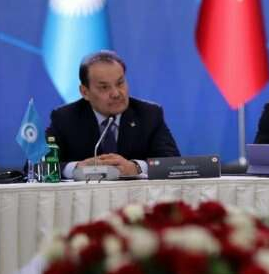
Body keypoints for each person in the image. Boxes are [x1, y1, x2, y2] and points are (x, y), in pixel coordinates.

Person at [47, 50, 179, 178]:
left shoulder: (149, 114)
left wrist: (136, 167)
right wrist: (76, 168)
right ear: (85, 92)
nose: (116, 94)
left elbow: (173, 163)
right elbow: (40, 166)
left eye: (120, 83)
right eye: (104, 87)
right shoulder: (64, 118)